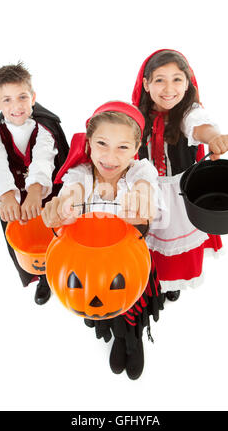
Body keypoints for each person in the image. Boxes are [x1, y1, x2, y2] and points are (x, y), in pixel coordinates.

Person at [42, 101, 168, 379]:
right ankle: (117, 338)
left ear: (136, 151)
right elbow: (72, 192)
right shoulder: (81, 175)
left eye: (123, 147)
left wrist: (142, 201)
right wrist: (63, 206)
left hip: (128, 270)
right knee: (101, 307)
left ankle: (133, 343)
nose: (111, 156)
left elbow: (146, 191)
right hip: (90, 271)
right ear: (88, 143)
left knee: (131, 308)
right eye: (102, 143)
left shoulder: (140, 173)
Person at [131, 49, 228, 299]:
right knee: (147, 236)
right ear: (146, 84)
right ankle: (150, 278)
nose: (169, 88)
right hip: (147, 189)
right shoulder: (135, 116)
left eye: (177, 79)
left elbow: (198, 126)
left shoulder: (188, 113)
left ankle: (172, 281)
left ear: (187, 83)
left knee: (175, 237)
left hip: (179, 191)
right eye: (160, 80)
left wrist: (214, 137)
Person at [0, 62, 69, 305]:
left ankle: (63, 273)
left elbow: (43, 158)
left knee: (54, 234)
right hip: (16, 201)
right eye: (7, 100)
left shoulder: (45, 127)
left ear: (33, 97)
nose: (16, 106)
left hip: (46, 195)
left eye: (22, 97)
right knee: (30, 243)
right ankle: (42, 276)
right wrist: (8, 196)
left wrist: (35, 191)